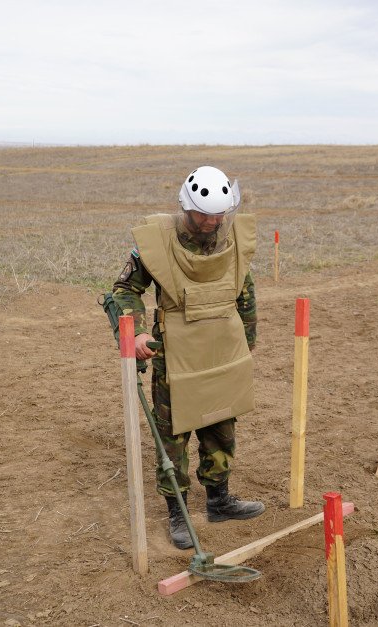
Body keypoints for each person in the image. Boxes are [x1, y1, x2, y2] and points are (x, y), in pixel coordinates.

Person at [112, 165, 265, 549]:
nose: (213, 222)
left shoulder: (231, 237)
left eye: (219, 215)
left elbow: (243, 288)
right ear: (187, 206)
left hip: (222, 347)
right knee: (174, 434)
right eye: (204, 215)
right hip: (176, 352)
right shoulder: (158, 240)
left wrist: (246, 341)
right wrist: (138, 331)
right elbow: (124, 289)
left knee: (222, 422)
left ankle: (219, 500)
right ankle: (177, 511)